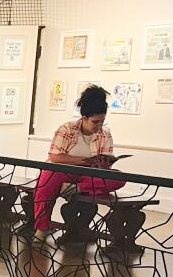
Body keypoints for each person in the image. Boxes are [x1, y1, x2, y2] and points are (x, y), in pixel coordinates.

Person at [33, 85, 127, 234]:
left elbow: (105, 165)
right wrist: (86, 161)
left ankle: (75, 188)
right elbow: (55, 157)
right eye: (95, 122)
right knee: (48, 176)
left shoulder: (105, 135)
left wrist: (104, 165)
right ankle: (41, 228)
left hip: (88, 176)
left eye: (102, 122)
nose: (99, 126)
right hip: (64, 172)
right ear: (84, 118)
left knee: (120, 178)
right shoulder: (67, 129)